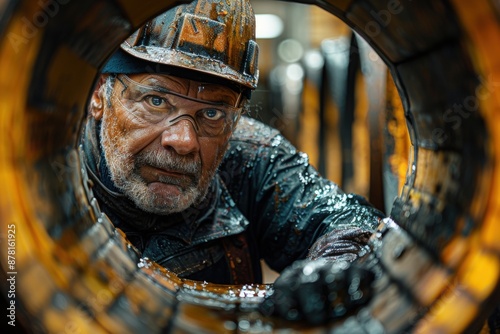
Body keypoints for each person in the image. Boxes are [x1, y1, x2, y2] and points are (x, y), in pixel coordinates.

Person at [80, 0, 385, 325]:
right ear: (100, 94)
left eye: (212, 114)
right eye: (156, 101)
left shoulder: (251, 156)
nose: (183, 141)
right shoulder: (48, 178)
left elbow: (346, 219)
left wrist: (336, 264)